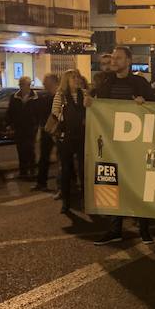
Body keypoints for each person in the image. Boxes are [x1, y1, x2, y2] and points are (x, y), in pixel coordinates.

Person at [90, 46, 155, 244]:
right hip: (112, 145)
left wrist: (146, 103)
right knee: (111, 185)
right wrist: (88, 103)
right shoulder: (105, 83)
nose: (114, 61)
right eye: (113, 58)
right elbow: (96, 105)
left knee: (138, 185)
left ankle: (144, 229)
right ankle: (115, 229)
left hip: (136, 146)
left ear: (129, 60)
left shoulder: (139, 83)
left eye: (118, 58)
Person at [53, 69, 87, 215]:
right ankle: (66, 202)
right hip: (66, 137)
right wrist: (64, 116)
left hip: (81, 136)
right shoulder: (61, 95)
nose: (77, 80)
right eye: (73, 77)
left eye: (78, 77)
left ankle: (85, 200)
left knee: (83, 170)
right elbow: (54, 112)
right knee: (66, 170)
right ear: (66, 80)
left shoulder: (84, 94)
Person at [6, 76, 40, 180]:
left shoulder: (35, 97)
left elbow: (39, 112)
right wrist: (9, 125)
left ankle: (32, 170)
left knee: (30, 149)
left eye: (23, 84)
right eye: (20, 84)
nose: (21, 87)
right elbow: (10, 112)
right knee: (21, 149)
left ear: (28, 85)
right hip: (19, 127)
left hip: (31, 127)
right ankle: (23, 171)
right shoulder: (14, 97)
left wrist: (37, 125)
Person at [33, 73, 60, 191]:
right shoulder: (46, 97)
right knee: (44, 157)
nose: (44, 84)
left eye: (46, 82)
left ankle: (67, 185)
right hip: (47, 130)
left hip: (58, 131)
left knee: (63, 158)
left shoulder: (60, 97)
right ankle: (41, 182)